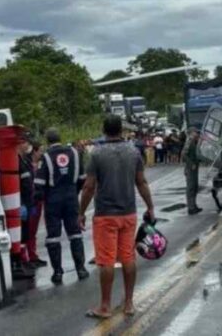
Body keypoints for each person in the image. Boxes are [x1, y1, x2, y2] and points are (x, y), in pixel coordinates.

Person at [80, 115, 155, 318]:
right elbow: (141, 182)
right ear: (121, 130)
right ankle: (129, 303)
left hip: (105, 215)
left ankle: (105, 306)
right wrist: (150, 207)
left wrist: (81, 213)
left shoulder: (96, 154)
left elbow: (88, 187)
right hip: (128, 213)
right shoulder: (134, 151)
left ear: (104, 130)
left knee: (106, 261)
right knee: (128, 258)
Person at [35, 128, 90, 284]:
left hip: (53, 200)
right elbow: (82, 178)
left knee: (53, 237)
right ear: (60, 138)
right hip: (71, 197)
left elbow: (39, 184)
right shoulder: (75, 153)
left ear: (47, 141)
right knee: (75, 233)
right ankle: (81, 269)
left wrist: (39, 199)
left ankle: (58, 272)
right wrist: (74, 192)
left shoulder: (45, 157)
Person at [12, 132, 37, 279]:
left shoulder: (24, 160)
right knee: (20, 235)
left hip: (28, 201)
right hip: (21, 202)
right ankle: (20, 261)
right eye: (25, 142)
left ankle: (25, 260)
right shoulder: (16, 161)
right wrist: (21, 204)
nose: (27, 145)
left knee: (26, 233)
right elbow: (18, 185)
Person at [26, 140, 47, 267]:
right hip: (31, 201)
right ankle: (29, 256)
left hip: (38, 200)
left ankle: (33, 254)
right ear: (34, 150)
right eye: (40, 151)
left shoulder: (39, 165)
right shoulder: (28, 165)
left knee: (33, 230)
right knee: (29, 229)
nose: (42, 153)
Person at [182, 126, 203, 215]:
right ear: (191, 133)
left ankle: (194, 205)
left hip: (194, 167)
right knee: (191, 187)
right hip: (190, 168)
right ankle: (191, 207)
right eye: (195, 132)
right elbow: (183, 154)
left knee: (195, 186)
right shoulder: (189, 141)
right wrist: (191, 164)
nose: (197, 134)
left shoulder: (194, 141)